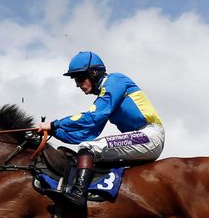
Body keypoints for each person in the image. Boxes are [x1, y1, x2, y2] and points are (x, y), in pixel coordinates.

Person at [38, 51, 165, 206]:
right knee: (88, 148)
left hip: (149, 135)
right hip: (141, 138)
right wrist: (54, 132)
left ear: (93, 73)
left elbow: (93, 117)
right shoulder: (105, 98)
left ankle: (78, 195)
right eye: (75, 80)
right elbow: (86, 134)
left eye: (79, 78)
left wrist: (54, 124)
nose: (77, 84)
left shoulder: (115, 81)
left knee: (88, 148)